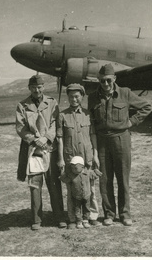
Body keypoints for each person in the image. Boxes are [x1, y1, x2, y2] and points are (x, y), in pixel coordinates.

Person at [88, 64, 151, 227]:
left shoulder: (125, 93)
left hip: (121, 140)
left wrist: (132, 121)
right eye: (102, 81)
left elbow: (146, 107)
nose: (106, 84)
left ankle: (125, 214)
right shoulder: (92, 97)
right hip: (102, 141)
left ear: (114, 79)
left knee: (123, 178)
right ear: (99, 81)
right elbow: (91, 122)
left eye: (108, 80)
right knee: (105, 179)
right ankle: (109, 214)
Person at [16, 75, 66, 230]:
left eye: (39, 87)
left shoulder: (52, 103)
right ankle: (36, 220)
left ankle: (59, 217)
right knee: (35, 185)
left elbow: (55, 123)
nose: (37, 90)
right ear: (29, 88)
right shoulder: (22, 105)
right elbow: (21, 127)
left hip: (50, 148)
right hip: (33, 151)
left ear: (43, 87)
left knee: (54, 183)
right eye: (33, 88)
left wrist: (47, 138)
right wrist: (34, 139)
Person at [57, 83, 102, 229]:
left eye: (76, 96)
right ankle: (72, 218)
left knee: (91, 189)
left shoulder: (88, 114)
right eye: (71, 96)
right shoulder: (63, 115)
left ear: (82, 97)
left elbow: (93, 134)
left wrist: (95, 154)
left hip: (86, 158)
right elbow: (60, 138)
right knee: (72, 191)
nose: (74, 99)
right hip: (71, 159)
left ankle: (92, 216)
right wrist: (61, 158)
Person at [60, 156, 100, 229]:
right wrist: (62, 173)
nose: (73, 170)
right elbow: (64, 179)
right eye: (72, 168)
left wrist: (97, 172)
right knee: (77, 209)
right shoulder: (71, 175)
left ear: (82, 167)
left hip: (87, 196)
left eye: (75, 168)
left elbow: (95, 175)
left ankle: (86, 220)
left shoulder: (88, 172)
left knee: (87, 208)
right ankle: (79, 221)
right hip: (76, 196)